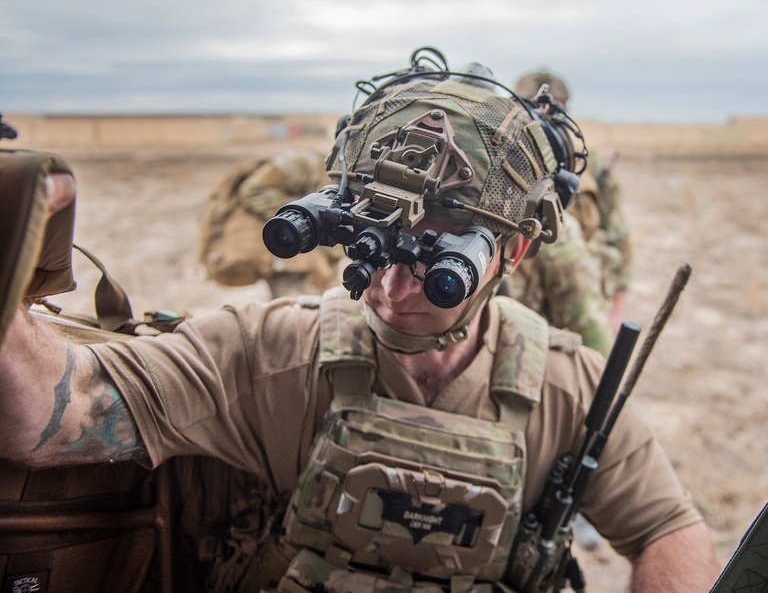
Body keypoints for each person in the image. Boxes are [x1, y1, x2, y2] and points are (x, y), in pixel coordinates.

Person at [0, 52, 720, 592]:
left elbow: (668, 528)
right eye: (370, 242)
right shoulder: (270, 352)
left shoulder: (568, 387)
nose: (392, 286)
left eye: (438, 262)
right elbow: (49, 410)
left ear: (514, 249)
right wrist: (12, 225)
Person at [512, 70, 633, 332]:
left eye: (551, 109)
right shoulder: (497, 163)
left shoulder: (591, 165)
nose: (540, 118)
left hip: (579, 300)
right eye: (529, 107)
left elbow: (619, 238)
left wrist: (615, 312)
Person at [199, 146, 346, 298]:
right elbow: (253, 190)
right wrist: (305, 213)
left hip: (313, 259)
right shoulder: (304, 164)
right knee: (298, 312)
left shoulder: (348, 181)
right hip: (290, 258)